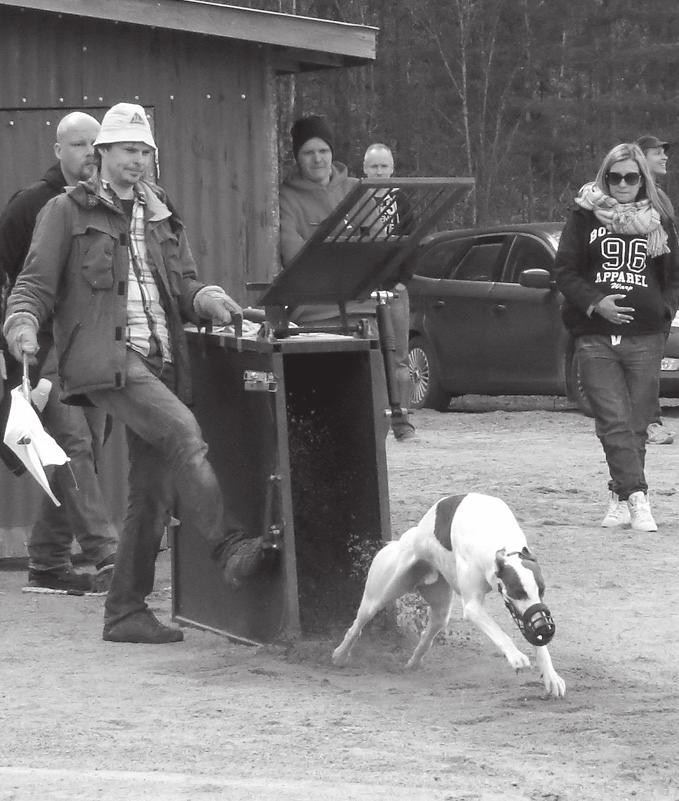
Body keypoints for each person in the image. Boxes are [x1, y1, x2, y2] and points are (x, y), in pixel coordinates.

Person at [4, 102, 275, 643]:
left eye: (146, 150)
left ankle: (125, 610)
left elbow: (185, 285)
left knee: (150, 491)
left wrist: (208, 297)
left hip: (162, 358)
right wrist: (21, 324)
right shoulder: (64, 210)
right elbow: (32, 285)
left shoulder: (161, 211)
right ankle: (227, 544)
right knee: (184, 434)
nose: (139, 159)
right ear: (100, 154)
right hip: (106, 360)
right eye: (128, 149)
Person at [0, 111, 119, 595]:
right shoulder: (29, 205)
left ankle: (47, 565)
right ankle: (107, 555)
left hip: (91, 348)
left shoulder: (109, 202)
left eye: (96, 143)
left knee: (79, 453)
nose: (89, 151)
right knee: (73, 448)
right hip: (40, 351)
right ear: (58, 151)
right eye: (78, 144)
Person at [554, 142, 679, 532]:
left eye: (630, 176)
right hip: (595, 334)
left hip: (645, 335)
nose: (623, 184)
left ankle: (618, 494)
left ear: (642, 178)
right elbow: (565, 271)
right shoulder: (584, 215)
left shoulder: (659, 219)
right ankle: (638, 497)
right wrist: (595, 303)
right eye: (615, 176)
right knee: (611, 419)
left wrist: (664, 311)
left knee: (637, 422)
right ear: (604, 177)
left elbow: (673, 277)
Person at [363, 143, 415, 440]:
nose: (379, 171)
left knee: (399, 358)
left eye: (384, 166)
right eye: (374, 167)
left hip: (395, 290)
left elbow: (414, 241)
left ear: (392, 169)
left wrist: (402, 279)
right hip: (364, 292)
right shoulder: (357, 201)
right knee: (369, 359)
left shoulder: (402, 202)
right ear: (365, 170)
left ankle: (403, 421)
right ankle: (373, 423)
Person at [636, 134, 674, 445]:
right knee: (644, 361)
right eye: (657, 153)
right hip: (643, 291)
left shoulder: (660, 196)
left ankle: (647, 419)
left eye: (665, 153)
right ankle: (648, 422)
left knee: (650, 360)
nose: (664, 158)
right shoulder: (633, 196)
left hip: (662, 293)